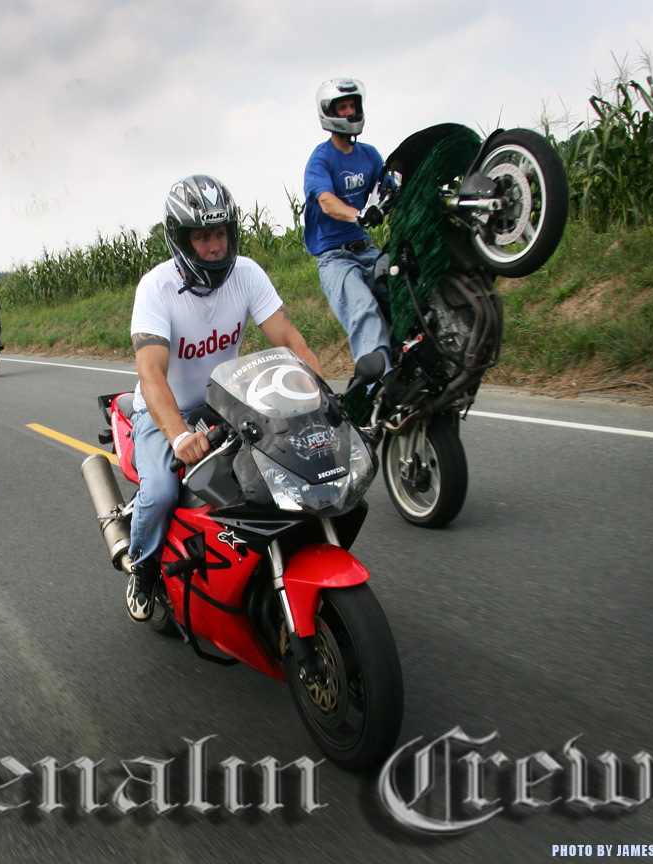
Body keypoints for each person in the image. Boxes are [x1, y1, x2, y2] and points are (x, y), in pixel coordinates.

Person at [125, 174, 323, 622]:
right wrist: (177, 436)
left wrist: (320, 399)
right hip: (165, 413)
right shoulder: (156, 289)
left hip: (224, 402)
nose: (215, 247)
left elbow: (289, 338)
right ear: (181, 240)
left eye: (220, 234)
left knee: (275, 471)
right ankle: (143, 566)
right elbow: (151, 373)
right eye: (202, 237)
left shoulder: (247, 274)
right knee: (159, 493)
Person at [303, 77, 392, 375]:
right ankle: (379, 384)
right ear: (330, 113)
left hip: (367, 250)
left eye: (353, 105)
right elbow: (327, 201)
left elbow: (388, 187)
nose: (350, 112)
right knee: (363, 308)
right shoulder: (321, 158)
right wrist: (359, 215)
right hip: (335, 258)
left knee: (402, 289)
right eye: (343, 107)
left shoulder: (370, 155)